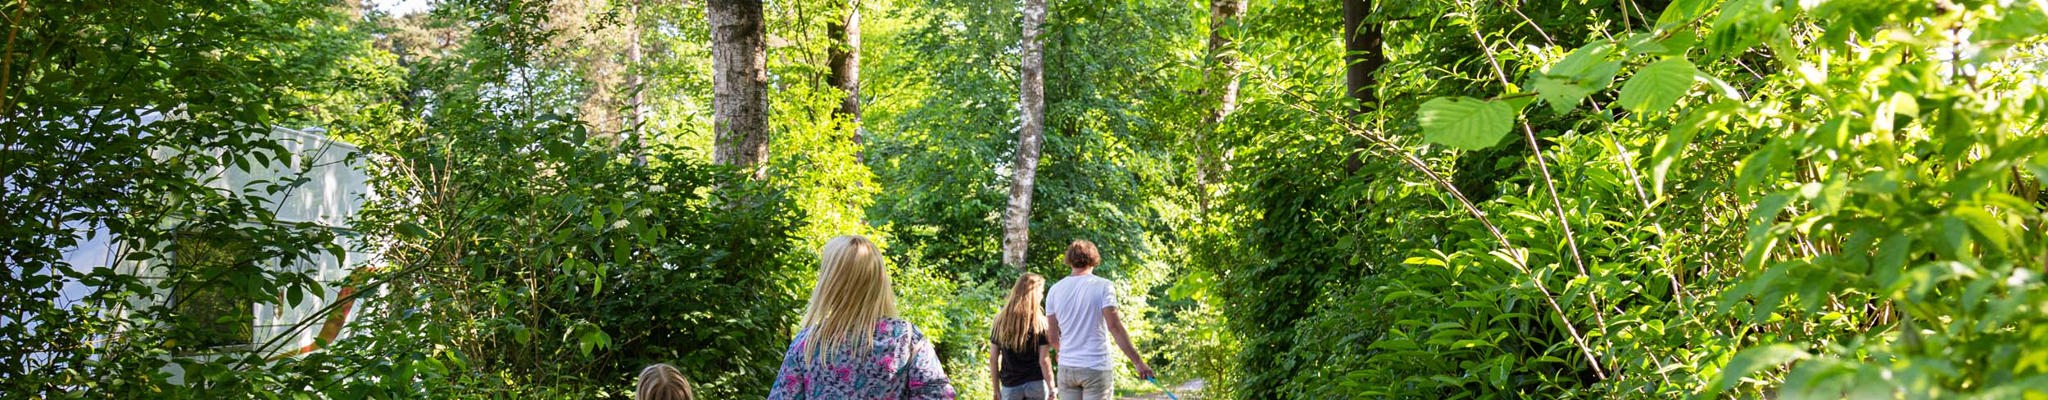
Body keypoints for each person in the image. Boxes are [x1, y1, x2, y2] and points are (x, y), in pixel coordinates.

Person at [769, 235, 956, 400]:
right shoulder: (905, 339)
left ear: (829, 284)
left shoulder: (807, 345)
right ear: (878, 281)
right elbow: (939, 395)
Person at [1045, 240, 1152, 400]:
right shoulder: (1103, 286)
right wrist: (1138, 362)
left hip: (1067, 368)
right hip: (1095, 366)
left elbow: (1052, 337)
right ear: (1093, 258)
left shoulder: (1055, 290)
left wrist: (1063, 351)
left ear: (1069, 259)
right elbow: (1114, 327)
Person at [988, 273, 1056, 400]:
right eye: (1041, 292)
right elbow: (1044, 360)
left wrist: (996, 390)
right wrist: (1052, 387)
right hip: (1037, 384)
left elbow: (993, 358)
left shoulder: (1000, 322)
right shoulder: (1040, 323)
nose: (1042, 295)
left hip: (1010, 386)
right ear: (1034, 295)